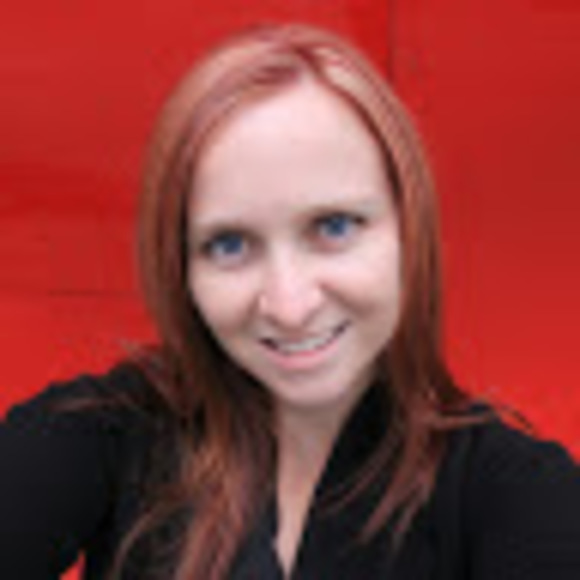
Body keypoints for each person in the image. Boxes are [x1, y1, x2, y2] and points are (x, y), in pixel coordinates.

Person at [1, 23, 579, 580]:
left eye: (333, 226)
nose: (289, 306)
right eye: (229, 244)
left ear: (409, 230)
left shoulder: (518, 493)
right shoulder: (105, 434)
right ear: (182, 268)